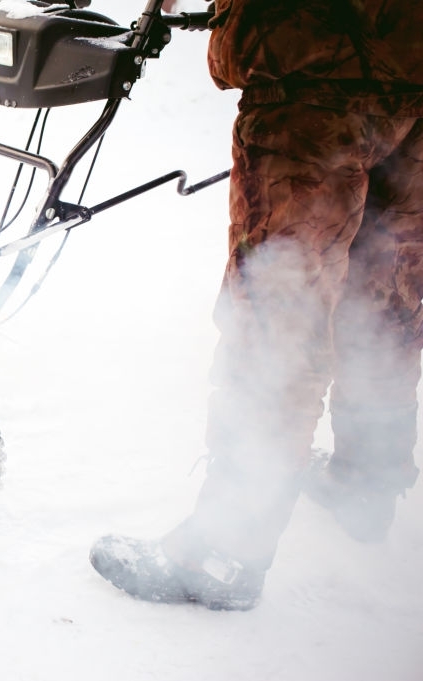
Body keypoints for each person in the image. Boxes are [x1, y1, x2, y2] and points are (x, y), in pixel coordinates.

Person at [89, 0, 423, 610]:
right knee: (387, 289)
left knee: (280, 303)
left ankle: (222, 550)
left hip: (311, 58)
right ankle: (366, 483)